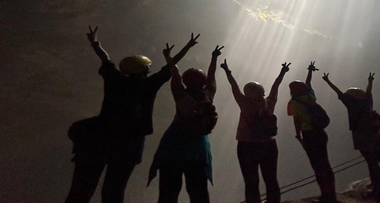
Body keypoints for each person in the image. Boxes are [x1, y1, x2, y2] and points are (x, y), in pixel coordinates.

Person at [65, 27, 198, 203]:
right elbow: (171, 67)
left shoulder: (114, 79)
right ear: (144, 70)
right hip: (129, 144)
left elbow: (105, 59)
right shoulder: (149, 85)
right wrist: (188, 46)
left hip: (100, 138)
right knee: (114, 192)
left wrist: (94, 42)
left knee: (82, 190)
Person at [149, 44, 224, 203]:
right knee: (199, 191)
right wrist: (214, 57)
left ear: (186, 80)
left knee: (169, 190)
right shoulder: (208, 94)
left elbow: (174, 72)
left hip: (174, 143)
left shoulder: (180, 94)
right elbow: (212, 75)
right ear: (203, 82)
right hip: (198, 145)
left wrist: (168, 56)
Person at [322, 72, 380, 203]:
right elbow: (369, 91)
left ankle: (379, 192)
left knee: (372, 164)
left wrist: (327, 80)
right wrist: (370, 81)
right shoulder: (367, 101)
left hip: (362, 137)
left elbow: (339, 93)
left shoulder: (350, 103)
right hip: (377, 135)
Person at [221, 60, 290, 203]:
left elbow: (234, 87)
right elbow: (276, 86)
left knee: (251, 181)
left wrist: (227, 71)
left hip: (247, 146)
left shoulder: (245, 103)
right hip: (269, 145)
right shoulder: (269, 103)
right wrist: (282, 72)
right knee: (271, 179)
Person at [287, 62, 338, 203]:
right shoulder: (311, 96)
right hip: (321, 132)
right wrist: (309, 71)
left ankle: (325, 196)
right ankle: (332, 195)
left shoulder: (294, 103)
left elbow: (297, 120)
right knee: (326, 164)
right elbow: (308, 83)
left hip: (309, 134)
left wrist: (298, 135)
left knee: (317, 166)